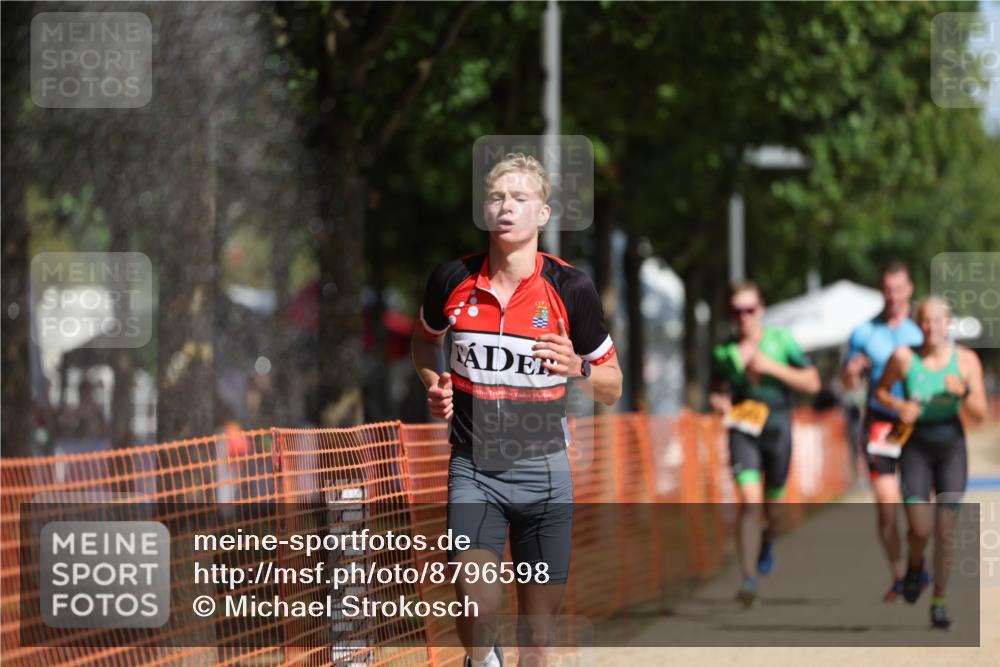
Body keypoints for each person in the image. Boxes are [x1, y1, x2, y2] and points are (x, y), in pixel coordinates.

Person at [411, 153, 622, 666]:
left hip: (546, 475)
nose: (506, 207)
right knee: (475, 604)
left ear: (543, 214)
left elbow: (613, 387)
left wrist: (580, 369)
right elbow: (423, 342)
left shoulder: (571, 289)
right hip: (474, 468)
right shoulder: (452, 280)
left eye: (520, 198)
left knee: (537, 641)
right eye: (497, 197)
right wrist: (433, 380)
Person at [875, 296, 986, 629]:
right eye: (924, 320)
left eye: (937, 320)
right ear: (917, 323)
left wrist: (963, 392)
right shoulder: (904, 358)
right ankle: (913, 566)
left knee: (946, 532)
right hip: (916, 446)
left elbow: (980, 416)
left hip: (951, 445)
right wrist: (898, 406)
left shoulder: (966, 361)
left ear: (948, 323)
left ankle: (939, 601)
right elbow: (880, 391)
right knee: (920, 529)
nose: (931, 327)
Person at [709, 280, 820, 607]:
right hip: (743, 428)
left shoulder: (781, 341)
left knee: (775, 511)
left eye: (750, 309)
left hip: (778, 428)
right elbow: (718, 390)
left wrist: (770, 367)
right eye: (736, 311)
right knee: (749, 502)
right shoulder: (723, 350)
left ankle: (769, 538)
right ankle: (748, 580)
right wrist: (719, 402)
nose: (743, 317)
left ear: (761, 309)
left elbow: (812, 382)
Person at [841, 261, 925, 602]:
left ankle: (919, 562)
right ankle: (899, 574)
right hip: (880, 422)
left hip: (919, 424)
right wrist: (851, 373)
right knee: (886, 504)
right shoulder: (863, 332)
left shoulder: (922, 331)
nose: (893, 296)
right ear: (881, 290)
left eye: (899, 289)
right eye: (887, 289)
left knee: (920, 507)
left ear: (910, 289)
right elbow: (850, 383)